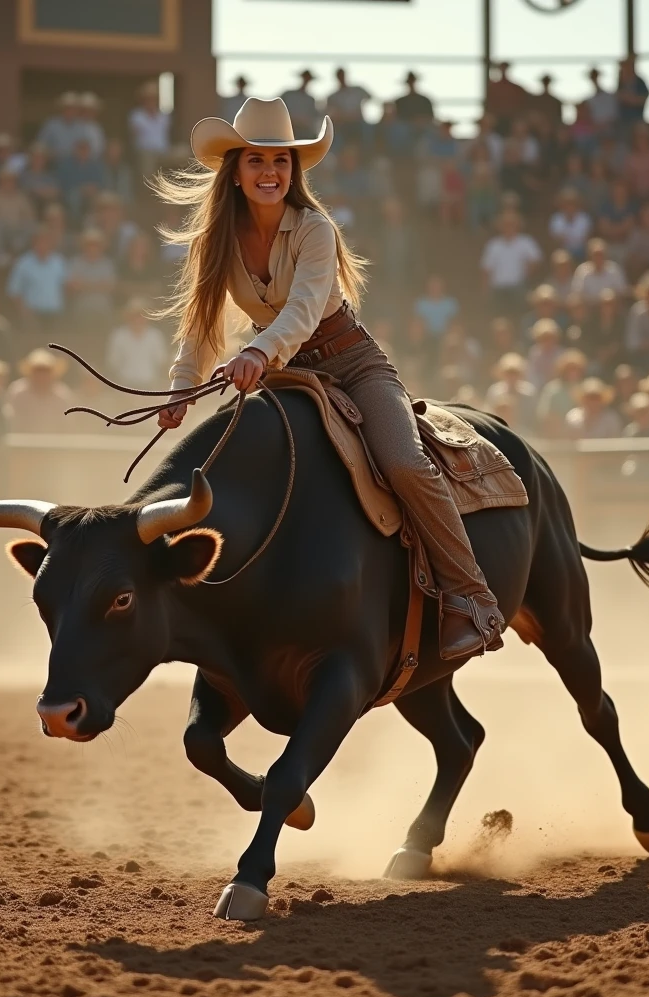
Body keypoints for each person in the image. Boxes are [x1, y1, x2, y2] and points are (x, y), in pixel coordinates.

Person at [156, 95, 504, 658]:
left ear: (293, 172)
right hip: (283, 371)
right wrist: (180, 392)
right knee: (239, 463)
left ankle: (472, 599)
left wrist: (258, 353)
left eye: (281, 162)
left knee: (404, 462)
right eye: (257, 161)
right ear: (235, 173)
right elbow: (197, 326)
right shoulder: (214, 241)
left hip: (350, 362)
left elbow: (302, 311)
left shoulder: (315, 229)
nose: (271, 172)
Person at [480, 209, 542, 317]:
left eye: (511, 224)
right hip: (498, 289)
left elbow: (536, 260)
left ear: (517, 226)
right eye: (505, 224)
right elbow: (486, 269)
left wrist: (527, 275)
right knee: (499, 319)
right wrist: (485, 290)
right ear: (500, 226)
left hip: (517, 287)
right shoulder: (493, 245)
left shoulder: (526, 241)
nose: (508, 227)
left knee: (518, 316)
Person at [6, 227, 67, 333]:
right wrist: (25, 312)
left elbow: (67, 285)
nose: (43, 245)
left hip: (55, 314)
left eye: (46, 241)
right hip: (32, 315)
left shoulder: (59, 262)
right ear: (34, 243)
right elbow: (14, 291)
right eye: (40, 241)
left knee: (55, 347)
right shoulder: (23, 263)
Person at [0, 167, 36, 268]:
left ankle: (16, 249)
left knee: (34, 226)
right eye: (5, 180)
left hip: (16, 230)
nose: (9, 183)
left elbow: (31, 216)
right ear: (0, 181)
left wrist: (22, 222)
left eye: (11, 180)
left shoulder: (21, 196)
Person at [6, 348, 73, 433]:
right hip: (23, 442)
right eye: (38, 370)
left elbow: (67, 426)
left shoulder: (62, 395)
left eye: (45, 371)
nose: (42, 375)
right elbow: (11, 423)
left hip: (54, 443)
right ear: (31, 372)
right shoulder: (18, 392)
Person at [106, 298, 168, 390]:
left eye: (141, 315)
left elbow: (161, 362)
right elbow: (113, 362)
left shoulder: (155, 336)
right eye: (135, 315)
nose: (138, 319)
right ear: (128, 316)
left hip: (149, 386)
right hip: (125, 385)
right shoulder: (119, 336)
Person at [128, 81, 171, 180]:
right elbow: (134, 134)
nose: (151, 101)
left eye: (153, 98)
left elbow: (166, 134)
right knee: (148, 175)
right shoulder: (136, 116)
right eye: (148, 99)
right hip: (145, 152)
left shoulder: (164, 116)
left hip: (163, 151)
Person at [325, 68, 371, 150]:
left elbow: (370, 97)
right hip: (342, 125)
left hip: (359, 123)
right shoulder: (333, 96)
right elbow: (331, 113)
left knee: (367, 136)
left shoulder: (357, 90)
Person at [37, 91, 85, 160]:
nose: (70, 111)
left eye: (73, 108)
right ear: (61, 109)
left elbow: (84, 147)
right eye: (67, 108)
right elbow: (41, 145)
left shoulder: (81, 126)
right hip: (53, 161)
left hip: (74, 163)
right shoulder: (51, 124)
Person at [280, 70, 320, 139]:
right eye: (305, 78)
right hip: (286, 128)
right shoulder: (288, 94)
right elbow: (278, 109)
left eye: (308, 79)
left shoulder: (310, 99)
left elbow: (312, 118)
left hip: (303, 131)